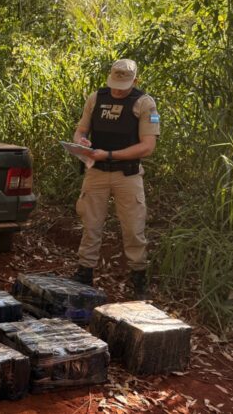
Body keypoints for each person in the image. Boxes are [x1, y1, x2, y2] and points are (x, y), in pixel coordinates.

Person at [70, 59, 160, 299]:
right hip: (96, 171)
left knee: (133, 228)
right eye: (114, 85)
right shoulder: (96, 98)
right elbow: (81, 130)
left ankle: (138, 278)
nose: (118, 91)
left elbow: (147, 146)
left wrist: (110, 154)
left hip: (127, 175)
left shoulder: (144, 103)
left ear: (135, 81)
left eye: (123, 86)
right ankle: (84, 272)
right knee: (91, 224)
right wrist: (81, 142)